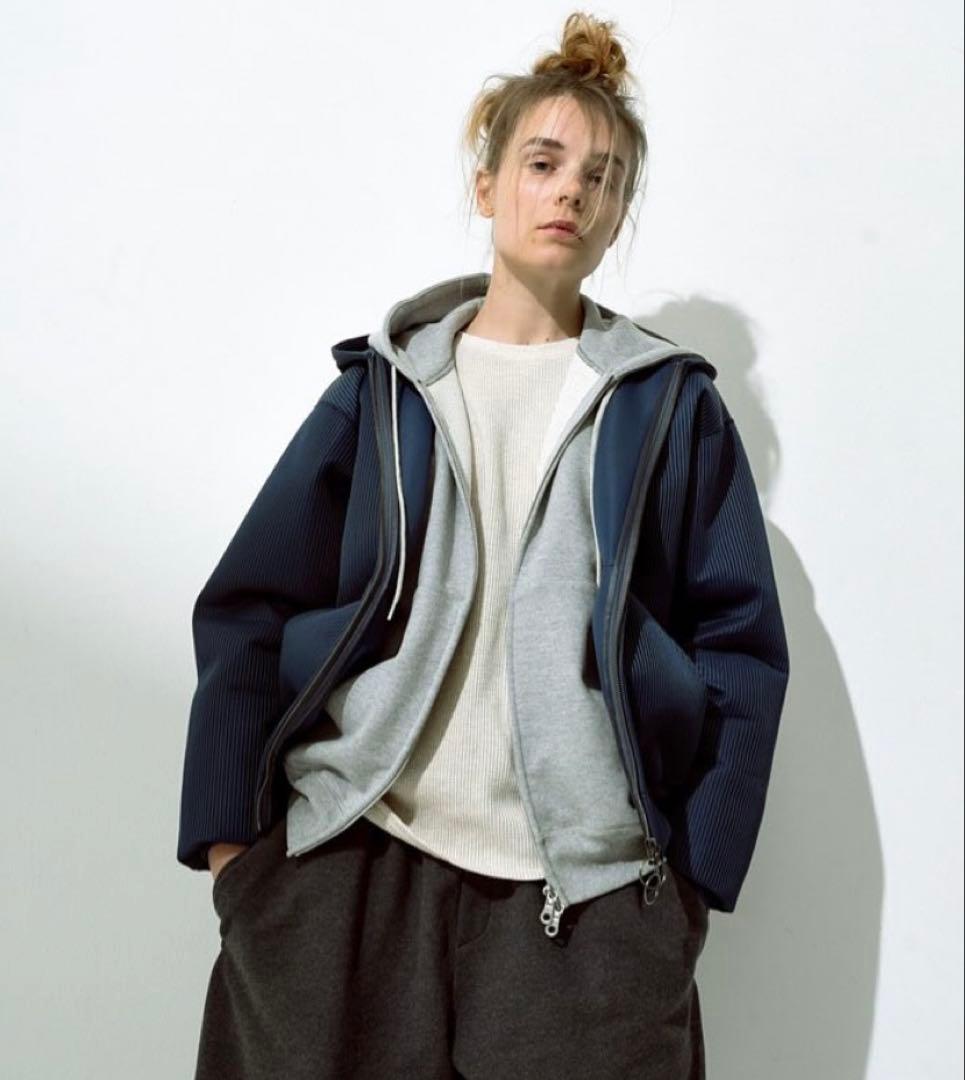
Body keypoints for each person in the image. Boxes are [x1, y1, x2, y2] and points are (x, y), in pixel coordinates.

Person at [177, 11, 790, 1079]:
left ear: (617, 214)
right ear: (487, 183)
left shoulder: (667, 410)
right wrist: (234, 846)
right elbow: (249, 605)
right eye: (542, 163)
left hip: (585, 903)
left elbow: (740, 647)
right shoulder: (382, 392)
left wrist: (689, 880)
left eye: (600, 178)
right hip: (355, 867)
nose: (570, 193)